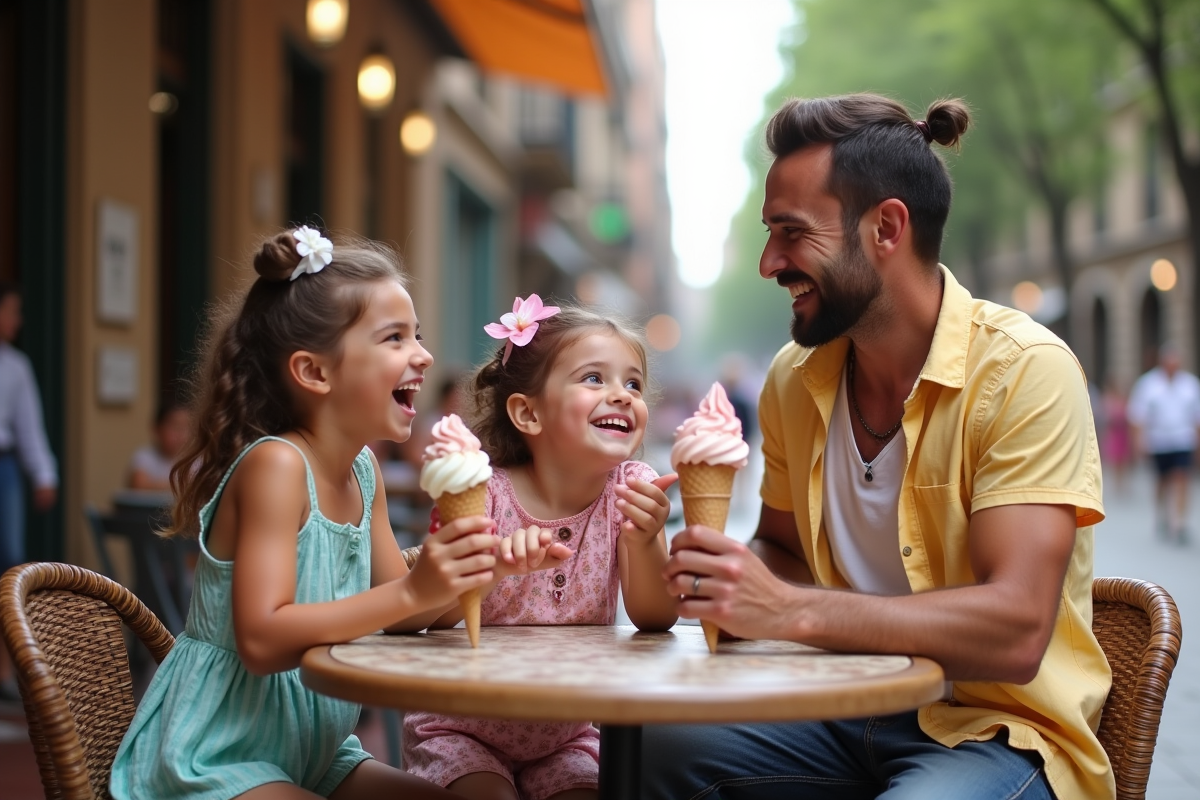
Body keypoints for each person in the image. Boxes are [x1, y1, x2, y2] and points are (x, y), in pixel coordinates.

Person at [647, 94, 1111, 800]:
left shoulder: (1025, 370)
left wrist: (791, 611)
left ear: (886, 228)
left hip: (997, 731)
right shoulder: (793, 378)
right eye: (770, 234)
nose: (770, 262)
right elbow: (784, 550)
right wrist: (724, 576)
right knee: (643, 748)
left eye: (791, 232)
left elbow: (1016, 631)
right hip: (839, 708)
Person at [109, 228, 502, 800]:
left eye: (417, 335)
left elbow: (401, 611)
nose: (423, 355)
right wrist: (413, 591)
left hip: (312, 751)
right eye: (394, 338)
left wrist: (479, 570)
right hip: (217, 757)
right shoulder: (276, 466)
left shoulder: (363, 472)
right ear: (315, 372)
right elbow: (263, 640)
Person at [403, 299, 679, 800]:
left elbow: (655, 617)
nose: (622, 395)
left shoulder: (630, 490)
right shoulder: (482, 492)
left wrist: (643, 540)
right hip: (459, 727)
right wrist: (493, 566)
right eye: (594, 378)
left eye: (633, 383)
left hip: (565, 736)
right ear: (528, 413)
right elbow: (430, 616)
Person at [0, 281, 58, 700]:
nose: (17, 321)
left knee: (9, 564)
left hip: (4, 468)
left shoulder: (15, 367)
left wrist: (44, 474)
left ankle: (6, 670)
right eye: (12, 311)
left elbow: (29, 427)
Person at [1128, 343, 1200, 543]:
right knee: (1162, 480)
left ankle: (1179, 522)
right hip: (1158, 440)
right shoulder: (1148, 384)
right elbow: (1138, 416)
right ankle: (1162, 514)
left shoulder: (1190, 384)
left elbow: (1196, 417)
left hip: (1182, 439)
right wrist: (1139, 442)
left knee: (1181, 477)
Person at [127, 400, 192, 491]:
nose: (180, 434)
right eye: (175, 426)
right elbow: (139, 485)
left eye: (185, 427)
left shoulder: (195, 460)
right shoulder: (144, 456)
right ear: (157, 429)